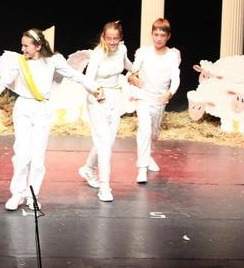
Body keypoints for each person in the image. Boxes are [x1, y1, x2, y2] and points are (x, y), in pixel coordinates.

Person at [0, 28, 101, 211]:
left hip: (43, 109)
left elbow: (74, 75)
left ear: (38, 46)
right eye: (22, 45)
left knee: (37, 157)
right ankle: (17, 194)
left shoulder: (53, 61)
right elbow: (4, 81)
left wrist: (94, 87)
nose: (23, 49)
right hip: (23, 107)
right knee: (22, 154)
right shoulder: (19, 62)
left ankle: (32, 195)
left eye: (26, 46)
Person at [77, 21, 132, 202]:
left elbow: (127, 65)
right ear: (103, 37)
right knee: (104, 141)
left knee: (108, 141)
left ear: (120, 38)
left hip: (115, 97)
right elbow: (88, 80)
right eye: (109, 38)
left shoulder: (122, 50)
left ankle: (88, 168)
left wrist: (138, 71)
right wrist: (97, 93)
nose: (112, 42)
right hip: (97, 98)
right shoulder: (97, 55)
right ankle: (105, 186)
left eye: (116, 38)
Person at [128, 18, 181, 184]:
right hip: (144, 96)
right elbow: (133, 72)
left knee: (154, 133)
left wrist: (170, 93)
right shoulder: (143, 52)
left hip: (160, 100)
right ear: (152, 34)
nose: (158, 38)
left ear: (168, 36)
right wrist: (132, 78)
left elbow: (176, 78)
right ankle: (142, 167)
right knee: (144, 130)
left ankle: (148, 155)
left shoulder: (172, 55)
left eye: (162, 35)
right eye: (156, 34)